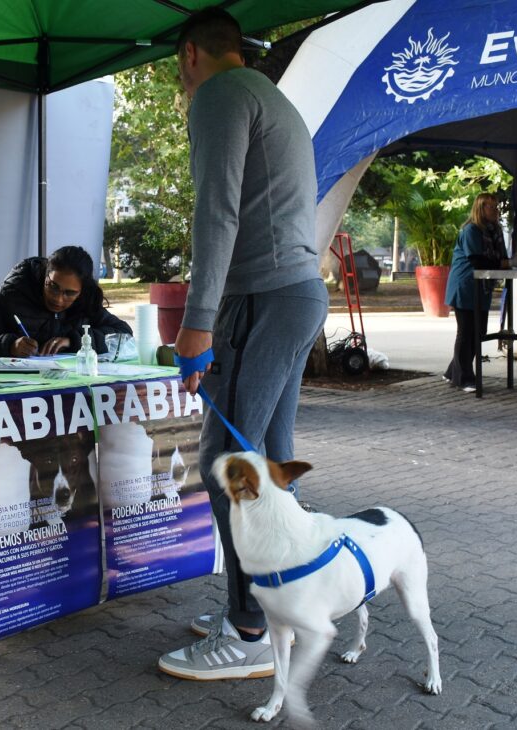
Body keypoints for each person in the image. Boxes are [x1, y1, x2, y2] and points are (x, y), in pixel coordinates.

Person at [157, 8, 328, 682]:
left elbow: (217, 208)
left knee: (228, 465)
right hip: (292, 294)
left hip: (260, 298)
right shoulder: (272, 96)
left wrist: (197, 321)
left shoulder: (220, 95)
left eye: (178, 69)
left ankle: (251, 630)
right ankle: (274, 604)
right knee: (268, 461)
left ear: (191, 53)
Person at [0, 245, 131, 359]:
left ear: (81, 291)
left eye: (70, 293)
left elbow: (125, 335)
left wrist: (75, 341)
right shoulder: (7, 296)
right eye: (52, 286)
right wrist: (9, 345)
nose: (58, 298)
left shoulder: (86, 301)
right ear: (45, 276)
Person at [444, 193, 510, 393]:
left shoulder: (495, 231)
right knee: (466, 333)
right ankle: (463, 378)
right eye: (491, 207)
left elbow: (501, 258)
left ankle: (451, 371)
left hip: (482, 289)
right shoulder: (471, 230)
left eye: (496, 206)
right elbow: (477, 260)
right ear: (481, 209)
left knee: (478, 333)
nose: (496, 210)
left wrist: (509, 262)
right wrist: (505, 263)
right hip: (465, 287)